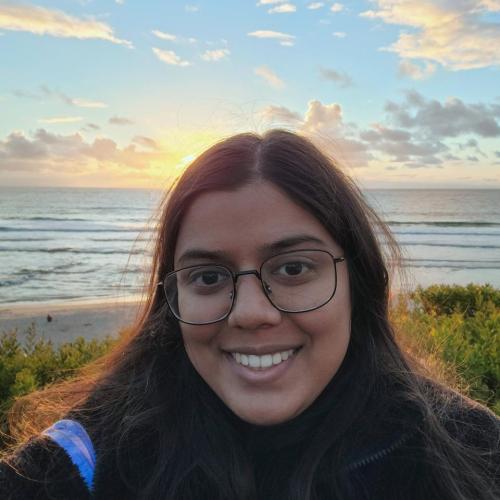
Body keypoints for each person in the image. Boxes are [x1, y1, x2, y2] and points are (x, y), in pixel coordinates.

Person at [0, 130, 498, 499]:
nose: (252, 313)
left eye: (295, 267)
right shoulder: (87, 461)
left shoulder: (471, 452)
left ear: (359, 281)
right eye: (209, 278)